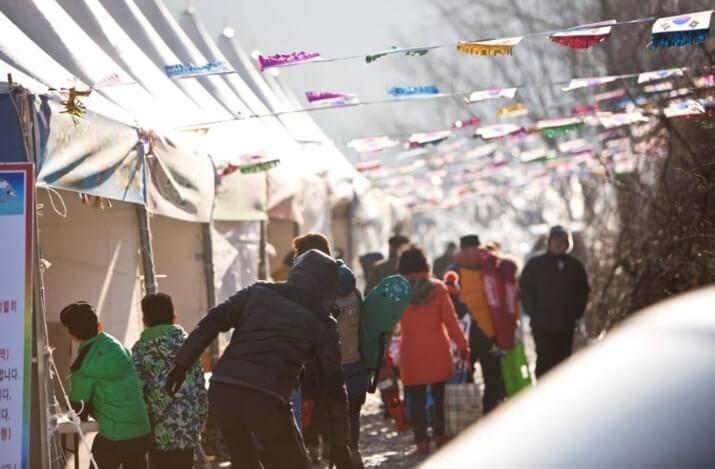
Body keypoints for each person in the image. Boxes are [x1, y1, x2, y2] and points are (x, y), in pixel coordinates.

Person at [164, 250, 353, 469]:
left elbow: (212, 321)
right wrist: (341, 445)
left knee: (244, 462)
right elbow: (335, 386)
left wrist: (180, 365)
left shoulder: (258, 291)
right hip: (266, 397)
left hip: (223, 389)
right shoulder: (323, 323)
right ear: (327, 286)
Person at [293, 232, 367, 469]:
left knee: (318, 416)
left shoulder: (304, 294)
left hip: (318, 370)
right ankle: (351, 454)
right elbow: (365, 331)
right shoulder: (353, 290)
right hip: (353, 365)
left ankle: (318, 452)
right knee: (349, 420)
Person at [60, 302, 151, 469]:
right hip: (142, 432)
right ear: (99, 325)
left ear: (72, 335)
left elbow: (78, 406)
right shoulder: (117, 346)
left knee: (100, 456)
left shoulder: (84, 364)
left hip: (115, 437)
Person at [397, 247, 470, 455]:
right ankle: (440, 435)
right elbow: (451, 321)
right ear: (424, 265)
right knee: (439, 398)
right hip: (438, 350)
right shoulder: (438, 288)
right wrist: (464, 347)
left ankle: (420, 439)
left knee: (416, 398)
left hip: (410, 352)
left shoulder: (398, 291)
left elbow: (388, 324)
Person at [131, 293, 208, 468]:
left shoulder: (140, 350)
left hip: (158, 431)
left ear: (144, 321)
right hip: (187, 428)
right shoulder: (190, 347)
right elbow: (200, 388)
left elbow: (137, 391)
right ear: (174, 318)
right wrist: (199, 422)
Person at [519, 225, 590, 377]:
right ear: (549, 242)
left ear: (567, 244)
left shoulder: (575, 266)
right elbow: (524, 287)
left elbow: (582, 290)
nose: (558, 244)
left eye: (562, 241)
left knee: (563, 362)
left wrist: (576, 313)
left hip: (566, 324)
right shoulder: (535, 264)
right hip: (541, 323)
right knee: (544, 360)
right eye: (555, 241)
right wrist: (532, 311)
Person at [452, 235, 507, 413]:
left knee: (464, 375)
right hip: (489, 331)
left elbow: (450, 301)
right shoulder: (490, 265)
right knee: (492, 375)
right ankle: (489, 411)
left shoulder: (454, 270)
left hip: (465, 334)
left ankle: (469, 413)